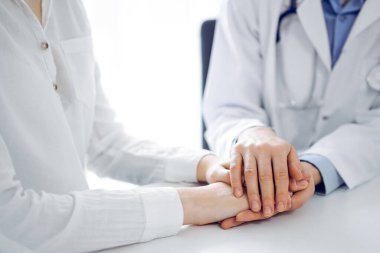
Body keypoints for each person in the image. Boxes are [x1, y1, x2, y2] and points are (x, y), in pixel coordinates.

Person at [0, 0, 309, 252]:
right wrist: (200, 203)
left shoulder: (67, 8)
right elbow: (12, 218)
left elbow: (105, 143)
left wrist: (208, 166)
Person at [203, 0, 380, 227]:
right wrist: (251, 133)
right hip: (258, 195)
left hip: (361, 198)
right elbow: (228, 105)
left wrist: (315, 167)